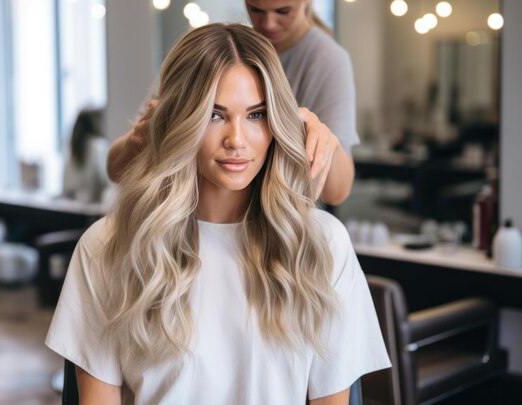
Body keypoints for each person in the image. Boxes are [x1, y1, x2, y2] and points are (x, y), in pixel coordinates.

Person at [46, 24, 389, 404]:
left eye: (257, 115)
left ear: (278, 123)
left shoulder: (322, 245)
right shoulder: (107, 247)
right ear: (181, 120)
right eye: (214, 114)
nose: (237, 140)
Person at [107, 0, 357, 206]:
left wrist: (324, 144)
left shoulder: (327, 61)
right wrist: (142, 138)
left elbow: (338, 192)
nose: (268, 23)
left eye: (283, 11)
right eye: (256, 9)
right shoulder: (211, 53)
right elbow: (116, 169)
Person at [62, 108, 112, 204]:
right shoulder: (99, 145)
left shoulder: (72, 147)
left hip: (71, 208)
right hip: (92, 208)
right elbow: (107, 179)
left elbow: (66, 186)